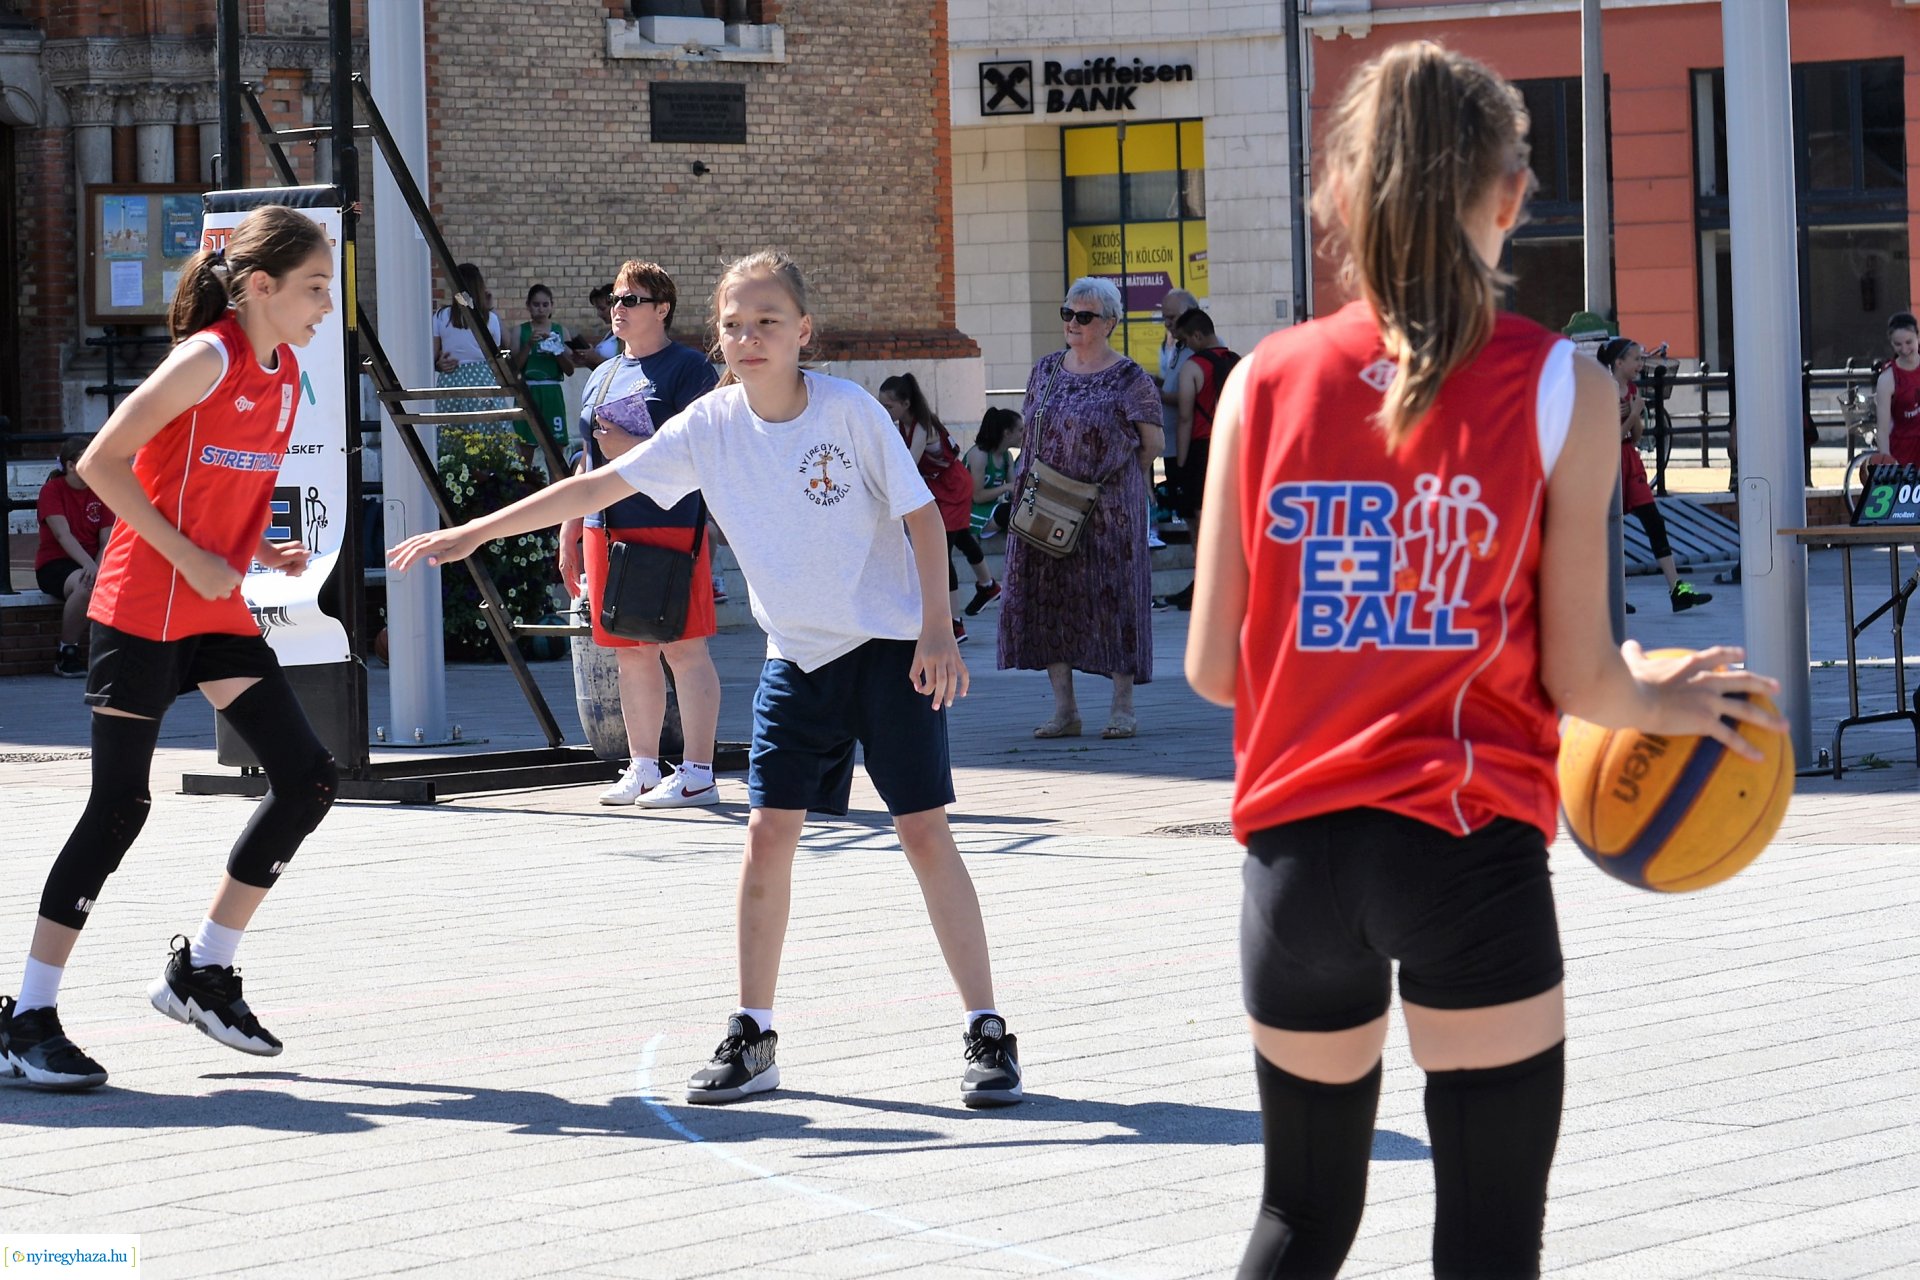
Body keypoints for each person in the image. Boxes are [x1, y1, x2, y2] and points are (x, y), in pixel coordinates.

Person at [1184, 43, 1784, 1278]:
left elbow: (1212, 668)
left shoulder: (1259, 382)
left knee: (1300, 1218)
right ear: (1510, 197)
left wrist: (1345, 659)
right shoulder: (1563, 385)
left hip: (1294, 862)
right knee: (1489, 1243)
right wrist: (1664, 697)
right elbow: (1582, 678)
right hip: (1463, 847)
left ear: (1338, 194)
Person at [391, 249, 1023, 1110]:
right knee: (766, 835)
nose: (749, 337)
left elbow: (919, 516)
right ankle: (753, 1033)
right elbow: (598, 486)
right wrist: (473, 532)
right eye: (734, 325)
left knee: (923, 834)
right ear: (717, 338)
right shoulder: (710, 425)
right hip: (796, 659)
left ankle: (987, 1029)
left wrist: (939, 633)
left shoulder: (848, 413)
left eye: (768, 322)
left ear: (803, 332)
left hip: (887, 651)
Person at [0, 206, 341, 1092]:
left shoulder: (286, 371)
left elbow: (228, 484)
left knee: (308, 778)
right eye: (314, 287)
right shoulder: (207, 357)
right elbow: (102, 463)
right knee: (120, 807)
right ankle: (27, 1016)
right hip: (143, 608)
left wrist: (260, 546)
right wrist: (188, 555)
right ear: (259, 286)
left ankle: (204, 972)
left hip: (214, 614)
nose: (325, 304)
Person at [557, 261, 724, 809]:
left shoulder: (689, 369)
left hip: (668, 523)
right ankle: (644, 767)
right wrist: (570, 527)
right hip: (605, 526)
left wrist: (630, 449)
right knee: (629, 651)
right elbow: (587, 459)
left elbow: (702, 453)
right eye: (615, 298)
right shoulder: (603, 372)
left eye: (631, 299)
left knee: (683, 649)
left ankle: (698, 773)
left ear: (662, 308)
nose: (618, 308)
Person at [997, 276, 1161, 741]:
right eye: (1067, 313)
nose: (1072, 322)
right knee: (1050, 598)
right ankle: (1065, 710)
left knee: (1116, 600)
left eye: (1084, 316)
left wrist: (1118, 480)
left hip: (1110, 509)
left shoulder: (1130, 378)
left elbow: (1152, 443)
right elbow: (1031, 429)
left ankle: (1122, 707)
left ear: (1109, 323)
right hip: (1047, 503)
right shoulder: (1046, 369)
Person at [878, 373, 996, 641]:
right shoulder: (903, 424)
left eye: (888, 406)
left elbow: (908, 464)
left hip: (953, 485)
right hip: (939, 486)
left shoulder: (923, 426)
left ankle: (955, 623)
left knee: (943, 553)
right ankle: (988, 585)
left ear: (906, 404)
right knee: (961, 537)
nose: (885, 411)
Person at [1599, 337, 1713, 613]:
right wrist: (1633, 414)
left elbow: (1635, 436)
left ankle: (1676, 589)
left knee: (1654, 521)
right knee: (1609, 528)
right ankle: (1611, 594)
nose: (1640, 364)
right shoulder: (1604, 390)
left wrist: (1635, 414)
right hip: (1609, 461)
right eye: (1636, 359)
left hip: (1629, 459)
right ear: (1619, 362)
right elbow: (1610, 438)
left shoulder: (1631, 390)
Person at [1163, 309, 1239, 611]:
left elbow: (1185, 418)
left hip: (1200, 450)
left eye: (1185, 340)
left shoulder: (1194, 367)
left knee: (1199, 525)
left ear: (1196, 335)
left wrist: (1180, 464)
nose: (1185, 347)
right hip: (1232, 446)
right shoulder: (1237, 362)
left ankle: (1205, 586)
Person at [35, 436, 116, 678]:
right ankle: (66, 653)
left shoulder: (101, 490)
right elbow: (63, 535)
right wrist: (90, 567)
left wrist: (97, 568)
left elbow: (106, 540)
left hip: (92, 562)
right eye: (88, 458)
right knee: (85, 585)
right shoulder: (52, 490)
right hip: (55, 563)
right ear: (71, 465)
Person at [432, 262, 508, 430]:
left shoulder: (441, 316)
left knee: (452, 432)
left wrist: (438, 364)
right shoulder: (490, 319)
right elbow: (499, 350)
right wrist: (490, 307)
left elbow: (433, 355)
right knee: (488, 432)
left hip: (451, 379)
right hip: (482, 379)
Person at [1151, 289, 1198, 549]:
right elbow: (1173, 385)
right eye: (1165, 318)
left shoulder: (1199, 346)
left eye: (1172, 317)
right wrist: (1157, 383)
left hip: (1189, 445)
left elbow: (1191, 398)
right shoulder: (1175, 346)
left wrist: (1159, 394)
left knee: (1195, 511)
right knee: (1186, 511)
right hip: (1171, 443)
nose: (1168, 324)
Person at [510, 282, 576, 457]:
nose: (540, 309)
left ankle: (555, 476)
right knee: (525, 450)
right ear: (528, 306)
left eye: (545, 304)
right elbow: (513, 369)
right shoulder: (519, 331)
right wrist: (528, 345)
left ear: (552, 306)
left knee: (555, 449)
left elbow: (570, 370)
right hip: (528, 391)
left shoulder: (560, 331)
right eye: (536, 304)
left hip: (552, 392)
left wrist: (557, 349)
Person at [965, 406, 1022, 543]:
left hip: (991, 508)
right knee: (1010, 513)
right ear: (1007, 433)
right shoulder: (980, 455)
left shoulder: (1007, 456)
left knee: (1025, 512)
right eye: (1020, 430)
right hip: (969, 511)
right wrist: (1005, 487)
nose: (1024, 435)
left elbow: (1015, 491)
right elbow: (977, 497)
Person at [1871, 310, 1920, 466]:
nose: (1904, 349)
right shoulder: (1887, 379)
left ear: (1918, 337)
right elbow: (1883, 429)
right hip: (1903, 453)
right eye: (1898, 344)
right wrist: (1888, 462)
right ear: (1891, 344)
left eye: (1909, 342)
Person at [570, 283, 618, 371]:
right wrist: (586, 361)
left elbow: (622, 369)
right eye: (597, 309)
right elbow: (602, 370)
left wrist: (596, 358)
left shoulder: (626, 335)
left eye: (602, 308)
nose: (599, 314)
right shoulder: (610, 333)